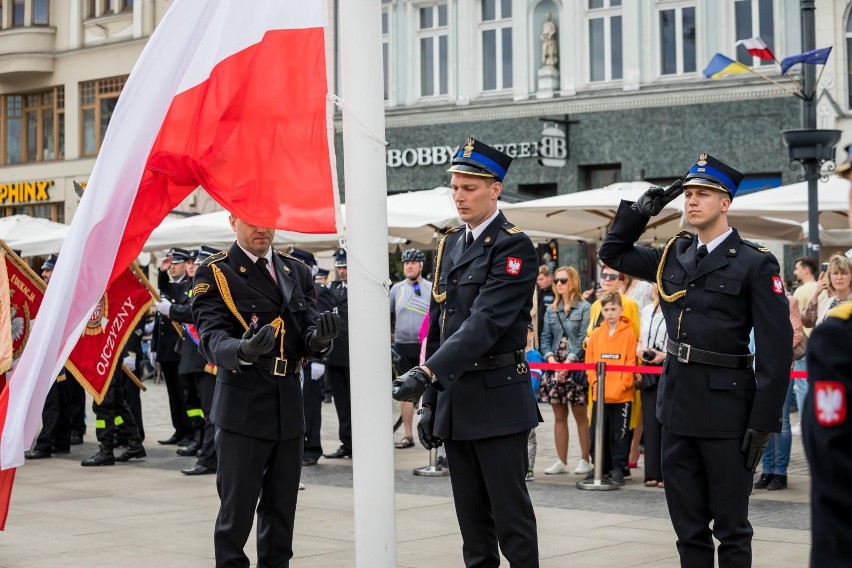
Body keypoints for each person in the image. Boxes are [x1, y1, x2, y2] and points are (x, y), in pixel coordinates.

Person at [599, 153, 792, 568]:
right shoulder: (674, 254)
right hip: (677, 408)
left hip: (727, 413)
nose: (692, 201)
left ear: (726, 203)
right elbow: (613, 252)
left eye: (703, 194)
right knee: (687, 530)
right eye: (688, 194)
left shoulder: (756, 262)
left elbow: (776, 352)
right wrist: (638, 213)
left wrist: (762, 424)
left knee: (732, 529)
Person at [392, 137, 540, 567]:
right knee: (471, 525)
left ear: (495, 189)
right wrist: (430, 403)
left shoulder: (513, 246)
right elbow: (442, 326)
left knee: (511, 520)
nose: (459, 195)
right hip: (456, 399)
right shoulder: (450, 244)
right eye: (455, 187)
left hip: (498, 396)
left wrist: (425, 375)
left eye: (469, 187)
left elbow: (485, 323)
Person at [191, 214, 339, 567]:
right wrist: (240, 351)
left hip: (288, 404)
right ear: (232, 221)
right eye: (252, 220)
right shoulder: (216, 273)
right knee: (236, 515)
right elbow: (210, 336)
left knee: (281, 512)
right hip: (243, 407)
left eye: (268, 220)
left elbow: (304, 332)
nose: (262, 228)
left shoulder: (294, 271)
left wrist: (318, 341)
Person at [171, 245, 221, 476]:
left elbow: (194, 313)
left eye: (199, 263)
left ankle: (209, 459)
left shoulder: (213, 287)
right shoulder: (197, 287)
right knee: (199, 408)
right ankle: (204, 446)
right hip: (192, 356)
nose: (194, 266)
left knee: (212, 411)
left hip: (207, 360)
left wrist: (171, 310)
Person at [539, 265, 592, 476]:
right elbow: (545, 338)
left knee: (580, 414)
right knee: (558, 414)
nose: (559, 284)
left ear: (573, 282)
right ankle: (561, 460)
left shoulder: (585, 307)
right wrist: (552, 361)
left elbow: (582, 338)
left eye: (563, 280)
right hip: (554, 365)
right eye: (556, 281)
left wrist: (568, 362)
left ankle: (585, 459)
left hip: (576, 364)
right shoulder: (552, 309)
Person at [585, 292, 639, 485]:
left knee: (620, 434)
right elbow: (590, 362)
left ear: (621, 310)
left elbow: (630, 363)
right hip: (599, 394)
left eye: (613, 309)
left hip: (622, 396)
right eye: (606, 309)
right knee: (598, 432)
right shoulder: (597, 334)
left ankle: (618, 468)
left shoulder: (629, 333)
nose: (609, 313)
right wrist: (594, 382)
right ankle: (599, 466)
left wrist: (621, 387)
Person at [753, 289, 802, 491]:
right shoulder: (755, 299)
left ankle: (780, 472)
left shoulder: (789, 301)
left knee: (782, 422)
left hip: (780, 367)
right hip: (757, 367)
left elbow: (797, 333)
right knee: (763, 420)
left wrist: (775, 351)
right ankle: (767, 470)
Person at [389, 248, 432, 449]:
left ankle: (431, 432)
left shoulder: (431, 287)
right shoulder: (397, 289)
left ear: (421, 266)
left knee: (430, 391)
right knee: (405, 392)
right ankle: (408, 435)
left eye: (413, 262)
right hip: (403, 345)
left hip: (425, 345)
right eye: (406, 263)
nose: (409, 266)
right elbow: (385, 313)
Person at [153, 248, 194, 447]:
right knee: (173, 395)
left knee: (184, 392)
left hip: (181, 348)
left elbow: (181, 310)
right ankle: (179, 429)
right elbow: (159, 320)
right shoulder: (169, 286)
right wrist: (154, 347)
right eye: (171, 264)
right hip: (167, 349)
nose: (173, 268)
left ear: (186, 264)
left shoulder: (188, 285)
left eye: (176, 264)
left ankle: (189, 431)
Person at [636, 284, 667, 487]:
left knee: (666, 421)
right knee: (649, 420)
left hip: (667, 364)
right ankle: (652, 472)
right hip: (647, 366)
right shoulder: (647, 310)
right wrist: (641, 350)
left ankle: (666, 473)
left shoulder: (677, 309)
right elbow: (640, 337)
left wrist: (663, 355)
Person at [323, 248, 352, 459]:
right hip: (335, 356)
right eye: (340, 267)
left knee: (358, 403)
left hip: (355, 356)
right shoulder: (332, 289)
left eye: (345, 267)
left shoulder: (361, 289)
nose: (342, 271)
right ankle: (347, 443)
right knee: (341, 403)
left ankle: (363, 442)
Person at [790, 256, 818, 435]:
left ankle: (804, 421)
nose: (795, 272)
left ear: (806, 269)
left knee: (802, 386)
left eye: (797, 268)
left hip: (803, 346)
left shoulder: (801, 291)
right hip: (819, 346)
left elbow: (797, 321)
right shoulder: (821, 287)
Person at [525, 324, 545, 481]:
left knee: (529, 436)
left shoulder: (534, 356)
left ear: (531, 334)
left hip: (528, 401)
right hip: (513, 401)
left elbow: (534, 383)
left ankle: (528, 468)